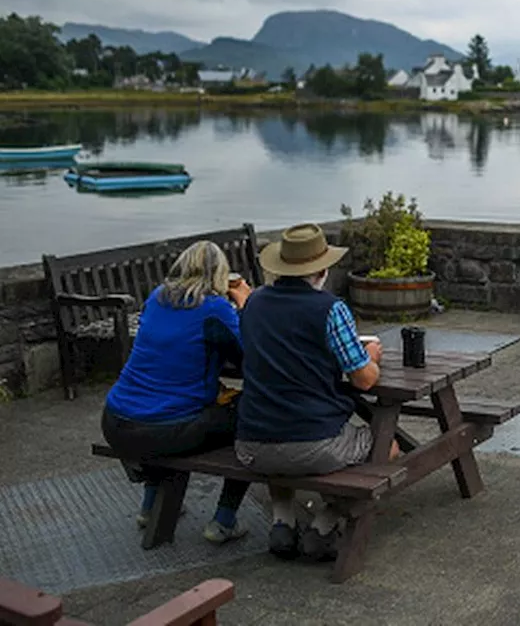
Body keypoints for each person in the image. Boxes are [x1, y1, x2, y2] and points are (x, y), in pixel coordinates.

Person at [234, 223, 396, 562]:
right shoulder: (329, 308)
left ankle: (283, 519)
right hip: (313, 445)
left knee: (279, 427)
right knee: (389, 446)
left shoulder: (253, 304)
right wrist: (370, 357)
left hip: (251, 443)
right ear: (322, 270)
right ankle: (323, 527)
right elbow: (364, 380)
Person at [100, 240, 253, 544]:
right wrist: (246, 305)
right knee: (253, 414)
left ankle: (149, 508)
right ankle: (223, 520)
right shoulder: (216, 309)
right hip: (162, 431)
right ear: (220, 276)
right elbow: (252, 357)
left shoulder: (157, 297)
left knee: (165, 405)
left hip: (115, 420)